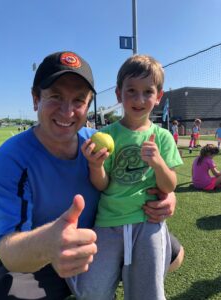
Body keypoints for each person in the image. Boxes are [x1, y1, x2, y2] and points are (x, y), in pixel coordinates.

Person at [0, 51, 182, 300]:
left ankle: (117, 273)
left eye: (78, 100)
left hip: (113, 232)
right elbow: (9, 250)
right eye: (55, 96)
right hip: (46, 253)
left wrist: (168, 198)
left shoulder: (96, 143)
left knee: (175, 255)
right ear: (35, 99)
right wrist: (50, 245)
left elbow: (154, 181)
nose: (67, 111)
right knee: (7, 292)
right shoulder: (12, 158)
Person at [67, 54, 183, 300]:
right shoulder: (106, 134)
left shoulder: (162, 137)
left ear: (158, 96)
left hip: (147, 222)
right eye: (131, 91)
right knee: (92, 290)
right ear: (119, 94)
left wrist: (158, 163)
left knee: (148, 293)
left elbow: (170, 185)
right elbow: (102, 184)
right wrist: (95, 165)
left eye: (147, 92)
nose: (139, 99)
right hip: (108, 222)